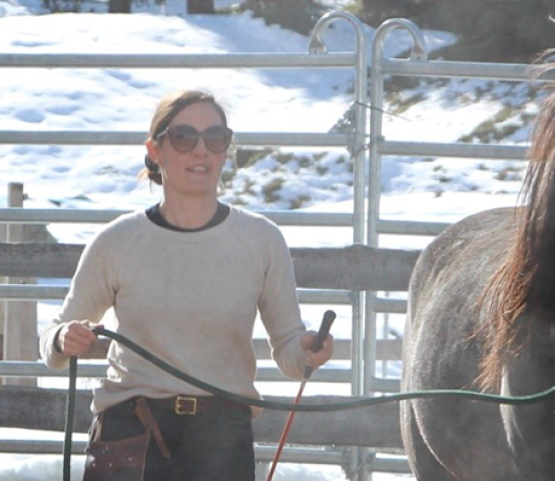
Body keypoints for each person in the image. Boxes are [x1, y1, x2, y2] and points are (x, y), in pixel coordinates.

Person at [39, 89, 334, 481]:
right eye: (184, 137)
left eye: (215, 138)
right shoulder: (117, 241)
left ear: (226, 150)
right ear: (154, 150)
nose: (201, 150)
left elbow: (289, 349)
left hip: (222, 440)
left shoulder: (262, 240)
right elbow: (53, 341)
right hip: (131, 437)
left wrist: (308, 350)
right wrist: (63, 338)